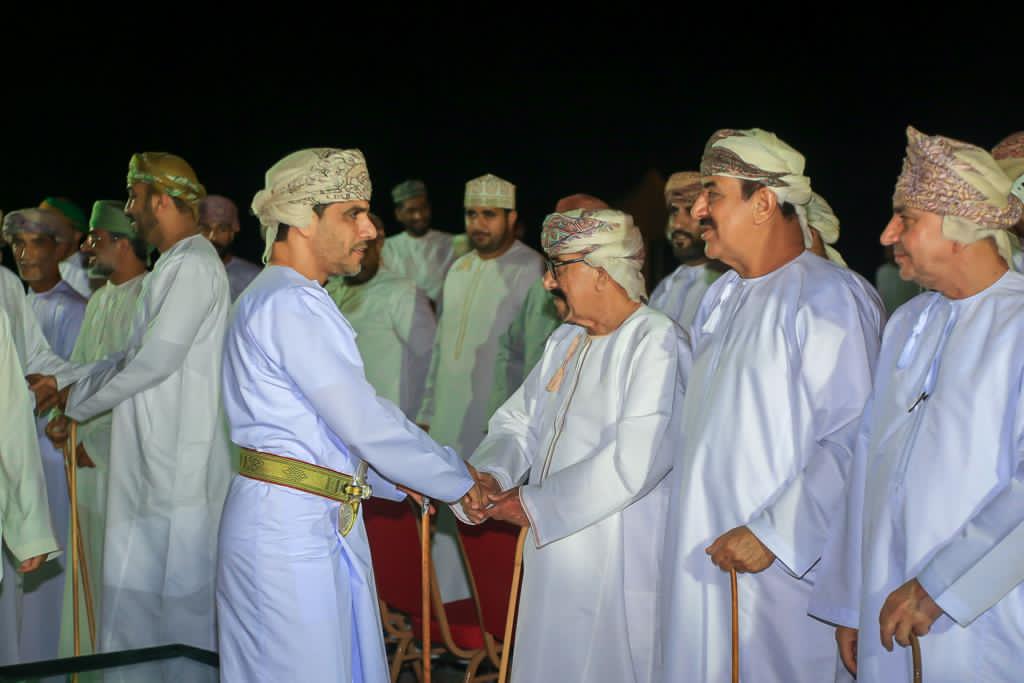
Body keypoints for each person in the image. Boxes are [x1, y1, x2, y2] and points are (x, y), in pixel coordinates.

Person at [216, 147, 478, 682]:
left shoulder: (287, 296)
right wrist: (458, 481)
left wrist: (397, 481)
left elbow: (323, 428)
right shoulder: (291, 301)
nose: (370, 229)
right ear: (302, 219)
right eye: (352, 213)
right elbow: (363, 421)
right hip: (288, 532)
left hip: (301, 518)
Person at [659, 128, 883, 682]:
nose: (699, 209)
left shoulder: (830, 295)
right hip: (701, 552)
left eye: (713, 194)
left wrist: (774, 533)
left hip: (782, 573)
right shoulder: (721, 295)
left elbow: (852, 436)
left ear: (763, 203)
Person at [809, 127, 1024, 682]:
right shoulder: (907, 322)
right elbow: (867, 464)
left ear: (961, 225)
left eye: (906, 219)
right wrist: (849, 602)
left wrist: (938, 589)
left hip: (983, 617)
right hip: (884, 605)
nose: (887, 235)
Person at [459, 208, 688, 682]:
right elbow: (519, 422)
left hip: (618, 553)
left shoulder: (656, 340)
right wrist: (492, 475)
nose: (548, 281)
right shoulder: (566, 338)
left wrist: (534, 503)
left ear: (602, 271)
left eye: (559, 267)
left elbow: (636, 460)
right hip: (554, 546)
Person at [57, 152, 232, 661]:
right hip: (151, 458)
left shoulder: (194, 264)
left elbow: (154, 361)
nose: (129, 210)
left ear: (160, 200)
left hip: (178, 464)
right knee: (137, 605)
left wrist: (75, 408)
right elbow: (128, 356)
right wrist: (65, 383)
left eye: (134, 198)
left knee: (173, 614)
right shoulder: (173, 265)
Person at [416, 173, 543, 600]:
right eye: (472, 214)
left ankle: (486, 620)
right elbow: (440, 349)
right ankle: (446, 615)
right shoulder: (458, 268)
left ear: (512, 218)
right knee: (443, 520)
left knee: (484, 521)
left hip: (496, 429)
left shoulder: (531, 270)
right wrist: (427, 414)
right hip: (447, 421)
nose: (478, 224)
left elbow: (537, 360)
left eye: (490, 214)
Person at [45, 200, 149, 657]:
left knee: (118, 578)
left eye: (95, 238)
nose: (87, 247)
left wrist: (101, 445)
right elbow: (83, 372)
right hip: (84, 457)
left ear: (122, 243)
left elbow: (141, 387)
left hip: (121, 465)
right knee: (87, 575)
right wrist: (63, 420)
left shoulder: (149, 297)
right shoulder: (102, 299)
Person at [325, 214, 435, 418]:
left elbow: (431, 358)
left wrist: (426, 416)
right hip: (343, 419)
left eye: (361, 248)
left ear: (378, 243)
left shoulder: (402, 293)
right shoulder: (328, 293)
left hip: (391, 422)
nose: (354, 256)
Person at [649, 172, 725, 328]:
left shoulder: (727, 284)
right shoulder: (665, 287)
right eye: (674, 212)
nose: (677, 224)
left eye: (690, 211)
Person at [381, 179, 456, 303]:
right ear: (398, 214)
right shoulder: (387, 248)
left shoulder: (450, 243)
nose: (419, 216)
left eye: (423, 208)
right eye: (411, 211)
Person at [199, 194, 261, 301]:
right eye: (205, 228)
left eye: (222, 229)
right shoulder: (181, 272)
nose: (212, 237)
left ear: (232, 233)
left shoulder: (252, 279)